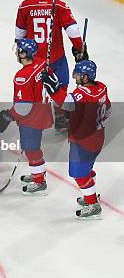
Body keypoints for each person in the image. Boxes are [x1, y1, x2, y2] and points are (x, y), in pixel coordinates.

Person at [15, 0, 86, 130]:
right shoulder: (59, 5)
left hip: (34, 61)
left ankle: (32, 120)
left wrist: (23, 54)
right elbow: (72, 30)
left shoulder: (25, 6)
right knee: (61, 87)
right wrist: (79, 48)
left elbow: (19, 34)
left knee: (34, 89)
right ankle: (61, 118)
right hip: (57, 57)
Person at [42, 60, 111, 219]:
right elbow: (108, 110)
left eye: (78, 75)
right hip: (98, 136)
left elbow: (66, 103)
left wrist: (53, 90)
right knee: (87, 168)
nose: (74, 77)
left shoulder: (83, 93)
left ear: (86, 77)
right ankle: (89, 196)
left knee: (78, 174)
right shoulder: (101, 88)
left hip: (84, 141)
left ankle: (92, 204)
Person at [0, 39, 53, 194]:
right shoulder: (42, 64)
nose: (16, 53)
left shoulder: (22, 76)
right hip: (44, 113)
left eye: (19, 51)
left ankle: (40, 181)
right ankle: (37, 173)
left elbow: (23, 107)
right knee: (33, 148)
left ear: (26, 54)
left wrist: (8, 115)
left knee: (31, 149)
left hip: (31, 119)